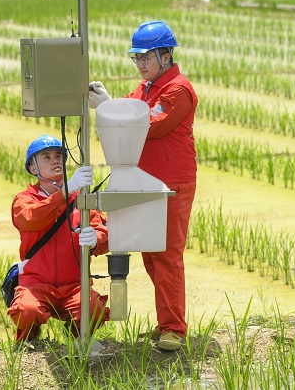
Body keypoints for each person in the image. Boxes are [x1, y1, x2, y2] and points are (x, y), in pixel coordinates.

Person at [89, 20, 198, 351]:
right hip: (145, 180)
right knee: (152, 255)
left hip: (171, 182)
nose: (139, 64)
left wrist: (107, 107)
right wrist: (109, 103)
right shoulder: (146, 88)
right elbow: (129, 110)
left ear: (165, 56)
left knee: (166, 255)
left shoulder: (177, 89)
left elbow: (150, 125)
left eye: (145, 58)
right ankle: (166, 320)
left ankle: (174, 329)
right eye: (135, 58)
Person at [7, 134, 110, 345]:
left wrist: (95, 240)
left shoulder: (81, 199)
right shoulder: (24, 200)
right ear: (33, 168)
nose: (55, 160)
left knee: (94, 309)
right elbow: (32, 219)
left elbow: (104, 232)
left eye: (59, 155)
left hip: (75, 284)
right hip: (36, 284)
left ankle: (75, 340)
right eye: (46, 156)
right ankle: (27, 342)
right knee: (27, 310)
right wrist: (66, 191)